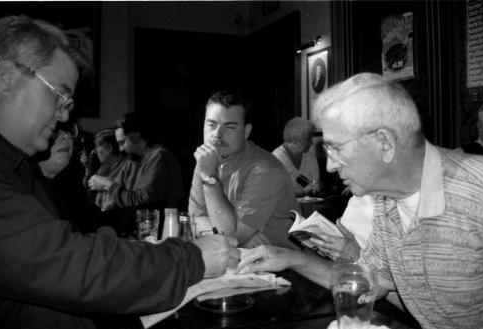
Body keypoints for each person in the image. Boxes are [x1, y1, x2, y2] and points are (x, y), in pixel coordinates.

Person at [0, 15, 240, 329]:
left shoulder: (19, 165)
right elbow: (76, 265)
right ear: (7, 77)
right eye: (59, 94)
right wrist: (191, 259)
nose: (66, 112)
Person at [237, 73, 483, 329]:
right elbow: (372, 282)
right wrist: (289, 258)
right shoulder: (386, 202)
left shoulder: (481, 187)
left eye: (336, 148)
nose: (331, 165)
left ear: (384, 143)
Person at [189, 91, 300, 250]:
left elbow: (231, 237)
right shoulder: (206, 161)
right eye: (211, 124)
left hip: (284, 268)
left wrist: (209, 177)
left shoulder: (265, 170)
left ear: (246, 132)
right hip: (239, 258)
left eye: (230, 127)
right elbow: (196, 218)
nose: (217, 134)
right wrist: (224, 238)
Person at [87, 113, 186, 234]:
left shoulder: (160, 157)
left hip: (162, 230)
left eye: (122, 143)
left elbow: (142, 203)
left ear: (136, 137)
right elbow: (118, 198)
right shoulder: (132, 161)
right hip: (137, 229)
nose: (120, 149)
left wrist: (107, 184)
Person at [85, 128, 134, 212]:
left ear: (109, 148)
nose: (95, 152)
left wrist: (106, 186)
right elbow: (89, 190)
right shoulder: (105, 166)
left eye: (97, 147)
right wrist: (88, 168)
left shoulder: (129, 166)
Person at [272, 117, 320, 197]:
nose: (311, 143)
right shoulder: (277, 158)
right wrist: (304, 191)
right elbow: (276, 192)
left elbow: (315, 184)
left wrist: (317, 186)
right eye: (308, 139)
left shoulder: (310, 157)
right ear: (295, 141)